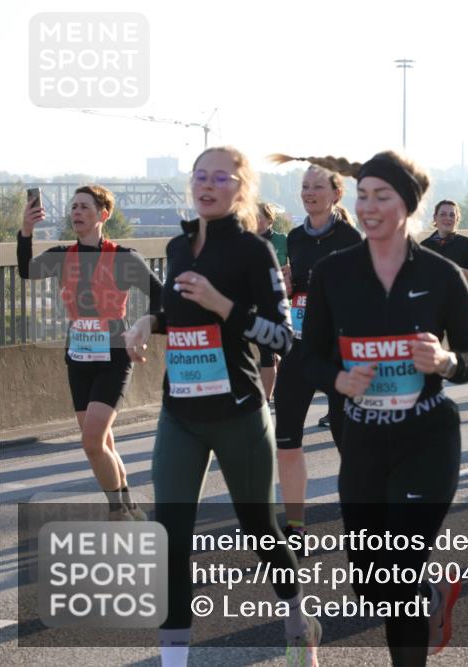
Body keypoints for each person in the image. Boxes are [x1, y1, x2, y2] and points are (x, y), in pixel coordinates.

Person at [122, 146, 319, 666]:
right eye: (200, 176)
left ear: (242, 189)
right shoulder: (178, 246)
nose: (207, 185)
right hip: (180, 413)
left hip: (238, 414)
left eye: (221, 178)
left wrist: (222, 305)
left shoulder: (255, 252)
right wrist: (147, 322)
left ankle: (297, 617)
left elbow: (283, 337)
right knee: (170, 540)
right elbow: (177, 312)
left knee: (260, 529)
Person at [301, 150, 468, 665]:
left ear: (408, 204)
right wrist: (338, 379)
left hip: (427, 440)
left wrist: (445, 361)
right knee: (370, 581)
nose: (369, 207)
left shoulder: (441, 274)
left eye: (382, 196)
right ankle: (432, 593)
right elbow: (307, 356)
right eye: (363, 196)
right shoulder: (333, 273)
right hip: (361, 439)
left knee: (399, 573)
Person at [18, 184, 162, 521]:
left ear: (103, 214)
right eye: (74, 207)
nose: (76, 212)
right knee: (103, 444)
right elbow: (27, 270)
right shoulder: (61, 256)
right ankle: (129, 505)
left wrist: (145, 327)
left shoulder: (123, 258)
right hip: (79, 358)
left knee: (92, 442)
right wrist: (26, 230)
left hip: (114, 357)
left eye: (84, 207)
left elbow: (161, 296)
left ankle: (118, 512)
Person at [266, 155, 363, 550]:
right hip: (299, 348)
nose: (308, 193)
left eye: (317, 187)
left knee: (347, 442)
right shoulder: (295, 238)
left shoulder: (352, 239)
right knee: (287, 440)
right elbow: (293, 289)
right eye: (304, 187)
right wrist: (288, 287)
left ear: (336, 194)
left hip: (339, 354)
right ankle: (296, 528)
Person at [421, 200, 468, 417]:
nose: (447, 218)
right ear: (435, 218)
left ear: (457, 219)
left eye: (452, 214)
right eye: (443, 214)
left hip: (458, 306)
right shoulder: (424, 246)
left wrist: (454, 270)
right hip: (431, 307)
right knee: (429, 354)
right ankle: (429, 402)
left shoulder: (464, 243)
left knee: (463, 353)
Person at [256, 202, 288, 404]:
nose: (255, 220)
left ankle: (265, 401)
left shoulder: (282, 240)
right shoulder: (246, 241)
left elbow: (294, 265)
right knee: (266, 351)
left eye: (259, 216)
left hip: (277, 303)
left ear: (270, 219)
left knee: (267, 353)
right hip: (253, 304)